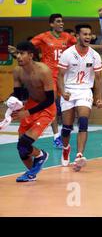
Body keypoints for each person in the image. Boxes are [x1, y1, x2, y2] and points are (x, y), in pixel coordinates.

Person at [9, 14, 77, 149]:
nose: (61, 24)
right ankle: (56, 136)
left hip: (64, 75)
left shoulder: (67, 37)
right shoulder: (43, 37)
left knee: (65, 105)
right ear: (51, 24)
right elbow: (27, 48)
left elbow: (82, 44)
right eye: (58, 21)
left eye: (62, 21)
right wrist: (17, 52)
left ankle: (63, 131)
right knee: (52, 105)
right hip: (49, 75)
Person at [57, 24, 102, 171]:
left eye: (89, 34)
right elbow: (60, 76)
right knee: (67, 128)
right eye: (84, 34)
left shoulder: (95, 55)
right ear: (77, 36)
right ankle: (66, 148)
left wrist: (99, 97)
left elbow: (98, 78)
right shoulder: (67, 54)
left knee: (83, 122)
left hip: (85, 91)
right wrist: (62, 91)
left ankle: (79, 155)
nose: (88, 37)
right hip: (69, 91)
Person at [9, 42, 55, 182]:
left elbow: (50, 99)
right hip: (30, 105)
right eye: (17, 53)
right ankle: (31, 174)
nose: (18, 56)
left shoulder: (43, 71)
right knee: (22, 149)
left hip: (46, 108)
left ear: (31, 55)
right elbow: (17, 94)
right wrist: (11, 107)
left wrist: (27, 113)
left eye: (22, 53)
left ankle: (41, 155)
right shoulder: (17, 71)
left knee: (24, 143)